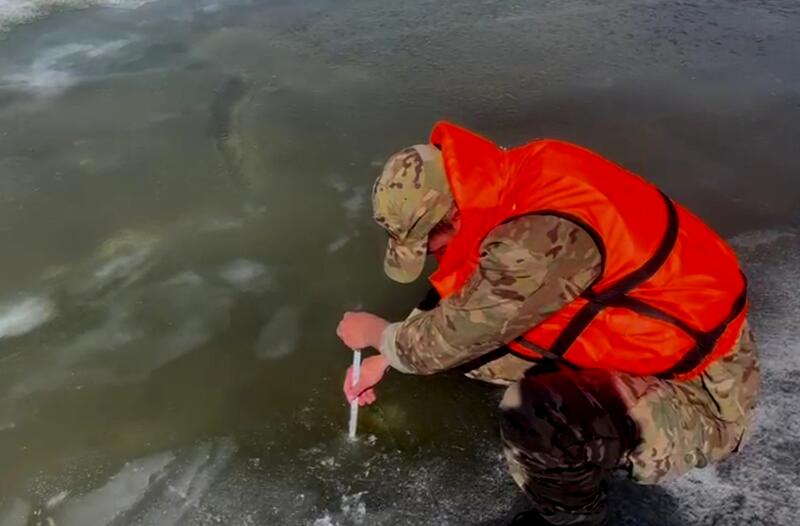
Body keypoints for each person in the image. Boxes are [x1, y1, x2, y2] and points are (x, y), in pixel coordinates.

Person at [335, 121, 760, 525]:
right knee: (475, 348)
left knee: (535, 415)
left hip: (705, 391)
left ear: (454, 217)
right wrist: (385, 359)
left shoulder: (534, 243)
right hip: (656, 336)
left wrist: (377, 333)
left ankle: (576, 520)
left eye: (430, 247)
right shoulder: (518, 177)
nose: (433, 257)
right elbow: (471, 296)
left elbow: (430, 348)